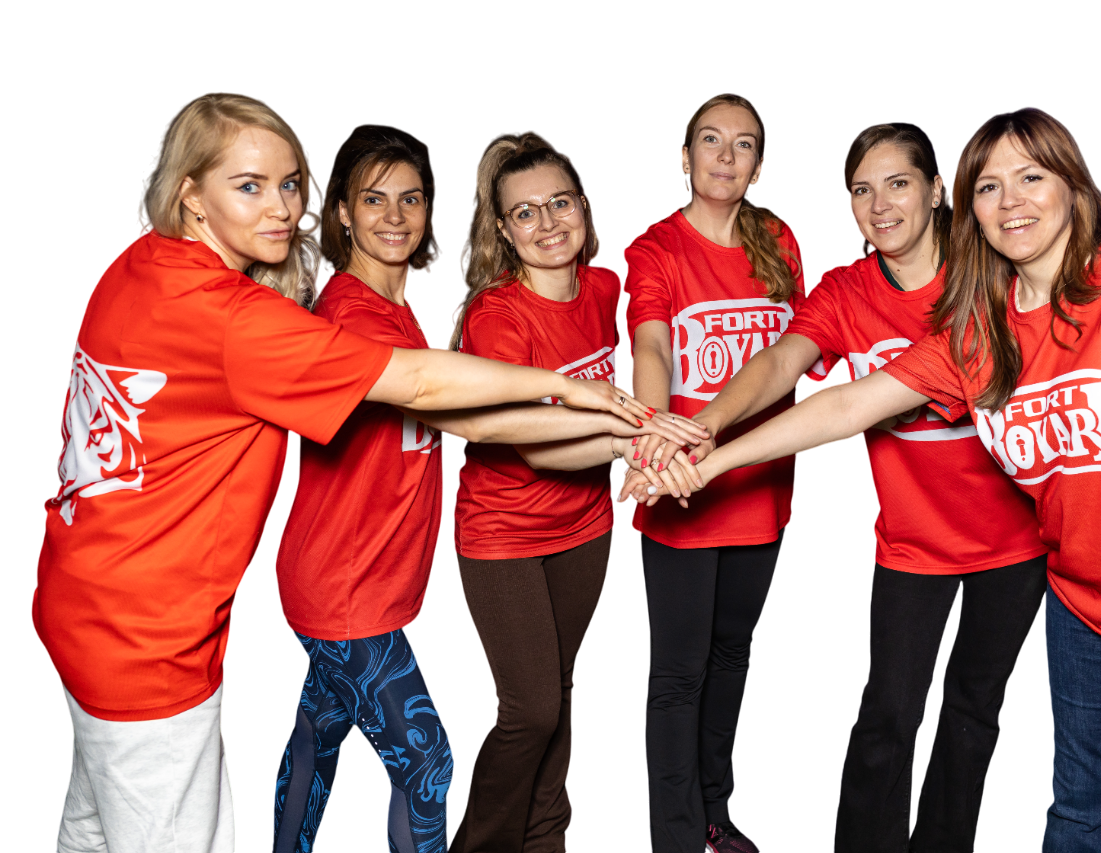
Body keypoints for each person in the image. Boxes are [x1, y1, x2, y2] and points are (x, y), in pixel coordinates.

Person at [33, 92, 664, 853]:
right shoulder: (278, 320)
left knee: (308, 741)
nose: (280, 208)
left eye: (288, 184)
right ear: (191, 195)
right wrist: (585, 397)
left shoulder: (143, 265)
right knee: (426, 765)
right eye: (249, 185)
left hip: (86, 602)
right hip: (181, 633)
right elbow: (444, 400)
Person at [669, 107, 1101, 852]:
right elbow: (848, 405)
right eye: (989, 187)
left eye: (1031, 177)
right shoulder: (980, 328)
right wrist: (711, 457)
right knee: (1078, 819)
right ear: (971, 207)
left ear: (1073, 184)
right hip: (1081, 609)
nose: (1011, 200)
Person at [269, 125, 704, 853]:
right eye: (373, 199)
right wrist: (617, 425)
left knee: (319, 733)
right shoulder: (354, 316)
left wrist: (630, 431)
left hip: (382, 581)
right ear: (340, 211)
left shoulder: (397, 308)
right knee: (431, 766)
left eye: (411, 198)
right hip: (346, 590)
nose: (396, 215)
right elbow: (480, 420)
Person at [665, 122, 1048, 853]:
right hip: (912, 546)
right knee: (889, 718)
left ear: (937, 192)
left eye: (898, 184)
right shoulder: (846, 289)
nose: (880, 206)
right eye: (861, 191)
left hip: (1014, 543)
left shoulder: (994, 276)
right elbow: (782, 364)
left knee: (973, 717)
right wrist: (706, 424)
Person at [444, 130, 705, 853]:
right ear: (503, 230)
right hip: (502, 534)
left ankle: (546, 839)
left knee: (557, 691)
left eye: (560, 203)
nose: (548, 223)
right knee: (527, 709)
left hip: (586, 526)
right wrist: (631, 446)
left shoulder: (604, 286)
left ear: (585, 209)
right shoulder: (498, 316)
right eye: (525, 212)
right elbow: (532, 443)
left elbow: (649, 355)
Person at [621, 93, 812, 853]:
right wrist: (655, 439)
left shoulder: (780, 240)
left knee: (733, 659)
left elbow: (795, 356)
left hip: (760, 486)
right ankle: (674, 839)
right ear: (684, 157)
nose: (725, 156)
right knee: (677, 675)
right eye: (710, 140)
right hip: (681, 487)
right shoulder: (656, 247)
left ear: (759, 165)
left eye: (743, 144)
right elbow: (651, 346)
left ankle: (715, 821)